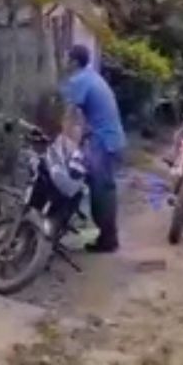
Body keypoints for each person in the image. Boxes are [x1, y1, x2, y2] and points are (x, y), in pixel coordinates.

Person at [62, 44, 126, 253]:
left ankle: (108, 240)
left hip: (103, 141)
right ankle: (105, 234)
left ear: (73, 61)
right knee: (96, 185)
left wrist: (64, 143)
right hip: (110, 139)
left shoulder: (78, 80)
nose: (63, 61)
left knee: (100, 190)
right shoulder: (92, 77)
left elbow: (71, 116)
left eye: (66, 57)